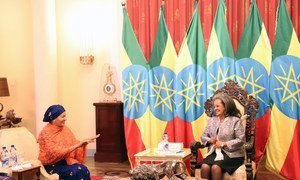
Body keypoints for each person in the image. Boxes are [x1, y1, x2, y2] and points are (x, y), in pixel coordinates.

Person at [38, 104, 100, 180]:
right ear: (54, 118)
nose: (65, 119)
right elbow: (55, 152)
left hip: (66, 161)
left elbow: (73, 142)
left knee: (83, 169)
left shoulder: (64, 128)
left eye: (65, 116)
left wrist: (83, 143)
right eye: (63, 116)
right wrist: (78, 145)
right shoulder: (46, 133)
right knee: (74, 172)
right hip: (52, 165)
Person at [200, 93, 244, 180]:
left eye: (217, 106)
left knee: (215, 168)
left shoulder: (235, 120)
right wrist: (210, 140)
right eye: (214, 106)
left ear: (225, 106)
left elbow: (241, 139)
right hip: (215, 153)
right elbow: (203, 136)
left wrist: (224, 144)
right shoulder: (212, 120)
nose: (215, 108)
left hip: (232, 154)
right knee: (204, 166)